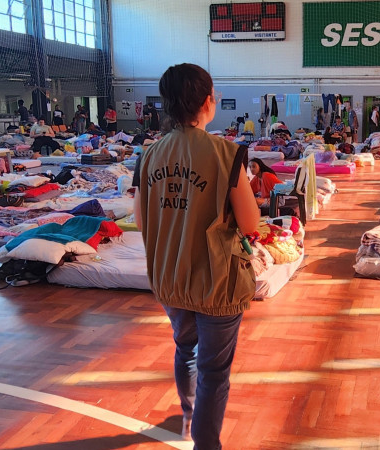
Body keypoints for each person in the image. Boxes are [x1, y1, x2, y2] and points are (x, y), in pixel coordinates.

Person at [132, 63, 258, 448]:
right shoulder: (226, 154)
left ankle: (189, 416)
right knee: (214, 372)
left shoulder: (149, 155)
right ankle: (206, 442)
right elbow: (251, 222)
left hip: (170, 276)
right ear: (208, 101)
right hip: (216, 281)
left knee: (184, 347)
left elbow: (140, 220)